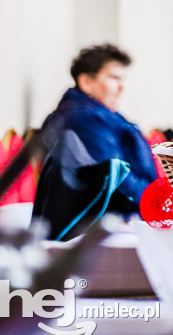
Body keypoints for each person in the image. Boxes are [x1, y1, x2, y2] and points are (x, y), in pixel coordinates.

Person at [32, 44, 158, 239]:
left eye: (123, 79)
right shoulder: (82, 118)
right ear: (86, 82)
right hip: (102, 226)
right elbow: (117, 176)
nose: (122, 87)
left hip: (118, 219)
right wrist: (156, 203)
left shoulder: (100, 115)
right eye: (114, 78)